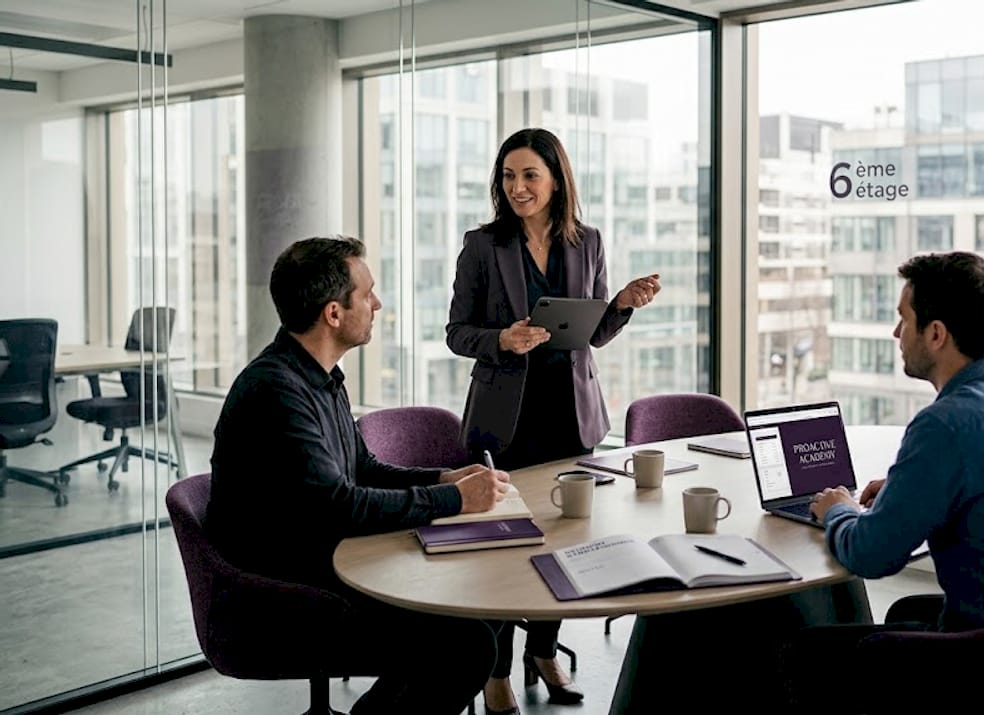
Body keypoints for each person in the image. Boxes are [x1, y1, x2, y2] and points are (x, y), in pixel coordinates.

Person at [782, 252, 984, 711]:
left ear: (936, 334)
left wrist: (837, 509)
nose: (897, 335)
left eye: (904, 320)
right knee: (906, 614)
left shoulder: (947, 423)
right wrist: (901, 493)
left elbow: (871, 555)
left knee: (807, 650)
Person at [206, 236, 511, 715]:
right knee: (466, 642)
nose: (377, 303)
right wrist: (456, 503)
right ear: (332, 313)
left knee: (478, 603)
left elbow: (363, 469)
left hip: (327, 559)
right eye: (367, 294)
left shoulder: (318, 375)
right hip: (287, 594)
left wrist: (445, 480)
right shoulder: (276, 391)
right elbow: (339, 506)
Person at [446, 127, 661, 714]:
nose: (518, 188)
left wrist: (618, 306)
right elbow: (457, 332)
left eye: (529, 176)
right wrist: (501, 339)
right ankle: (494, 674)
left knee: (565, 545)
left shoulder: (586, 242)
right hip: (504, 421)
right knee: (502, 554)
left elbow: (590, 334)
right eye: (509, 177)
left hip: (570, 417)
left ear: (557, 179)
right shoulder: (482, 245)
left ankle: (542, 650)